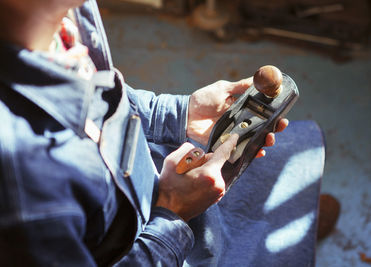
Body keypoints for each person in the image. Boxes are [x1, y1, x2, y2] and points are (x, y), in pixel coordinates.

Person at [0, 0, 291, 266]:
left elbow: (98, 95)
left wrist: (178, 113)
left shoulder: (67, 11)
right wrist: (173, 217)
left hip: (135, 182)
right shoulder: (22, 188)